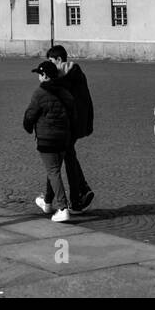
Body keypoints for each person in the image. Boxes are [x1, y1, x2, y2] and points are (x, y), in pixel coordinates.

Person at [22, 60, 77, 223]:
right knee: (53, 169)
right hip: (64, 138)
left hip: (47, 138)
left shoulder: (40, 93)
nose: (38, 77)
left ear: (45, 76)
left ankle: (62, 207)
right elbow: (73, 115)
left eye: (39, 74)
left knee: (53, 171)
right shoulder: (65, 93)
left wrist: (28, 126)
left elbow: (31, 114)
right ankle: (47, 202)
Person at [44, 45, 96, 213]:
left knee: (57, 161)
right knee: (68, 156)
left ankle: (55, 200)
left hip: (70, 124)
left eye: (52, 61)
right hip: (78, 122)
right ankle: (80, 194)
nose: (51, 65)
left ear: (59, 60)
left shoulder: (65, 76)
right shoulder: (75, 72)